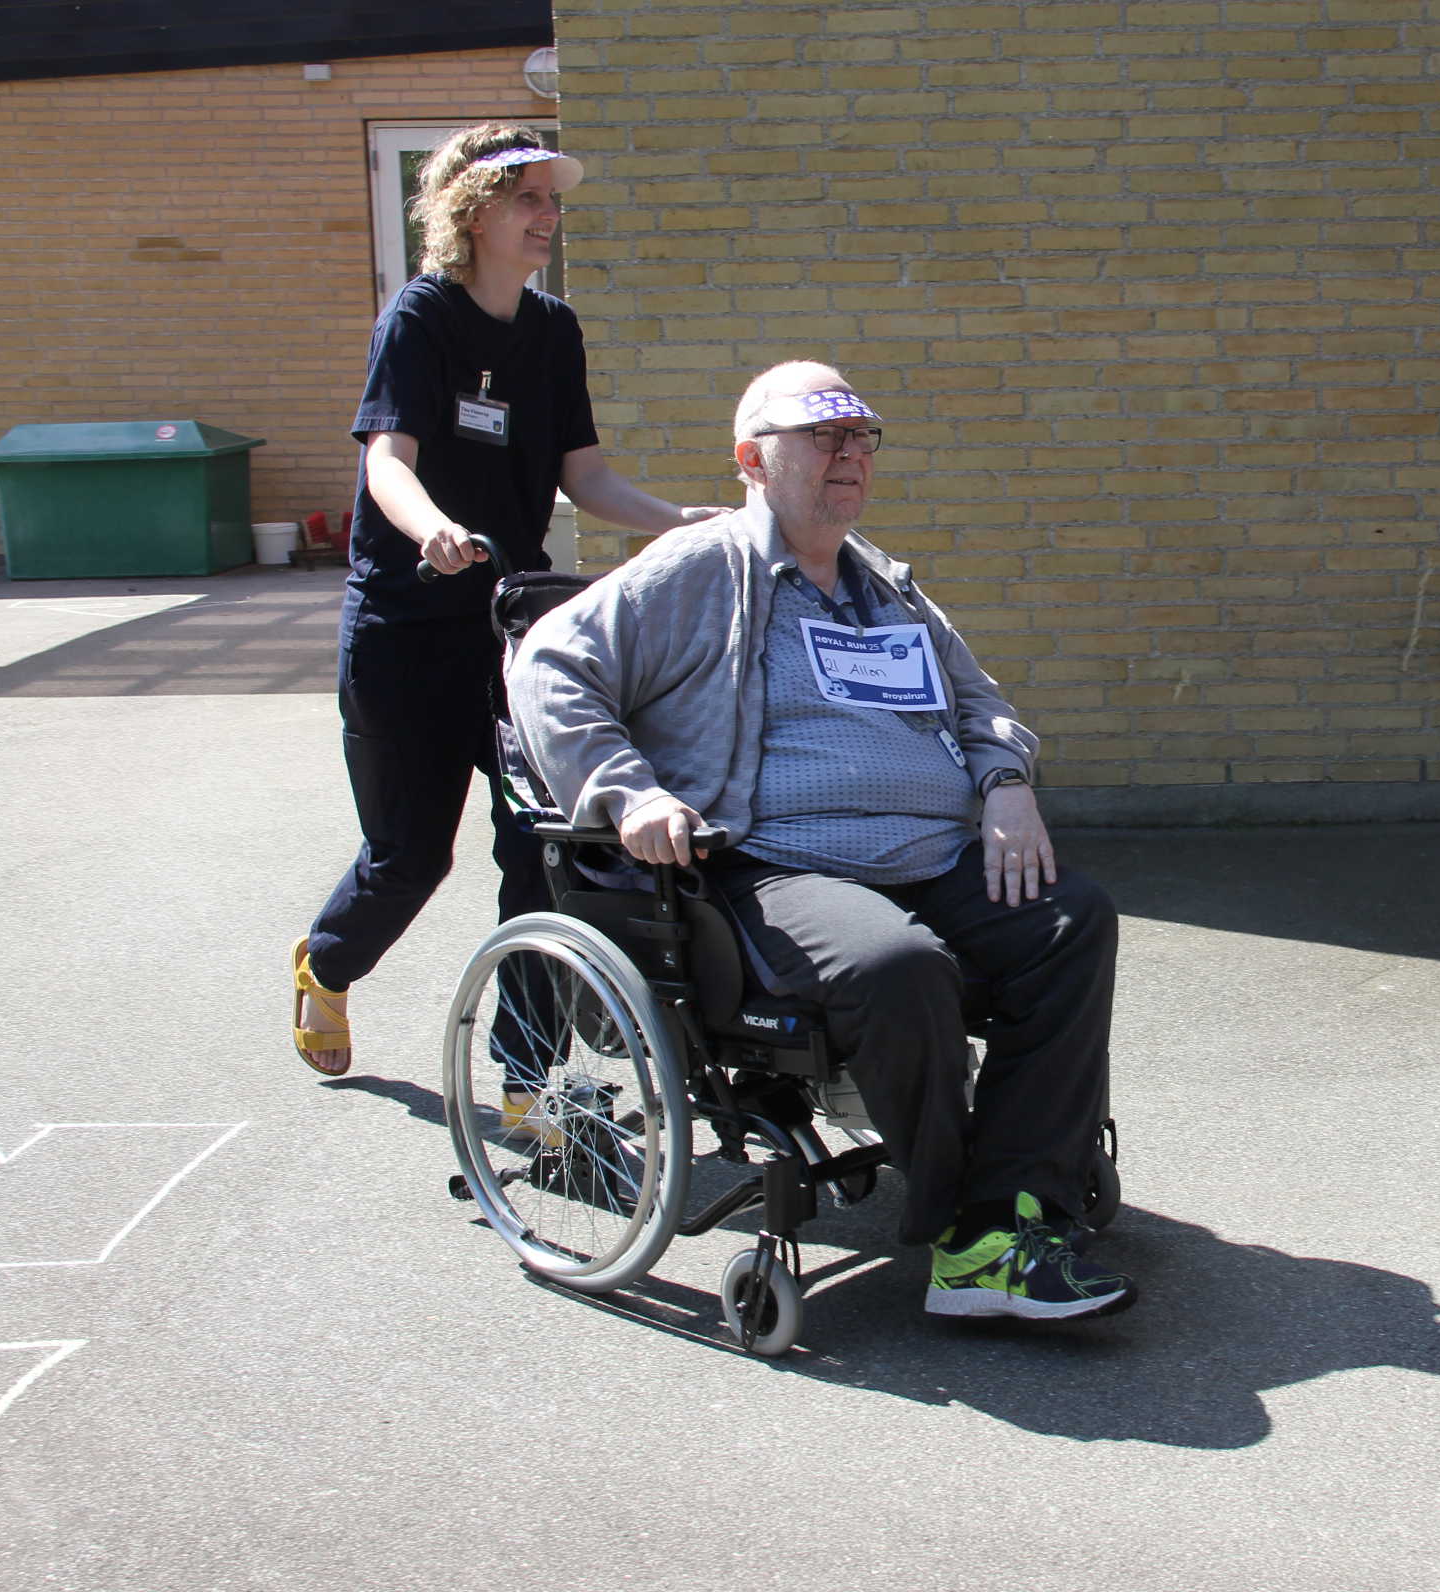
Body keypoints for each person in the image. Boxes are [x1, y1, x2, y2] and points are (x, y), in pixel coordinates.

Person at [506, 360, 1136, 1323]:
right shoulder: (701, 567)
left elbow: (979, 702)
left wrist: (1006, 783)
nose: (850, 454)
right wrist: (627, 791)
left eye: (860, 436)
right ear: (753, 460)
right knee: (899, 967)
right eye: (823, 436)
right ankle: (970, 1241)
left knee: (1071, 920)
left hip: (928, 854)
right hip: (773, 862)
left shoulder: (884, 582)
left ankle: (1019, 1203)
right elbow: (550, 663)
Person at [291, 122, 718, 1078]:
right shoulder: (420, 318)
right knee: (410, 856)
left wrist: (674, 521)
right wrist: (431, 529)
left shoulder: (554, 329)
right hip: (404, 628)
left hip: (512, 629)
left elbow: (585, 476)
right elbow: (387, 462)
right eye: (527, 198)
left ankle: (529, 1075)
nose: (547, 215)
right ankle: (327, 963)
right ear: (471, 210)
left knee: (538, 851)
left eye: (552, 200)